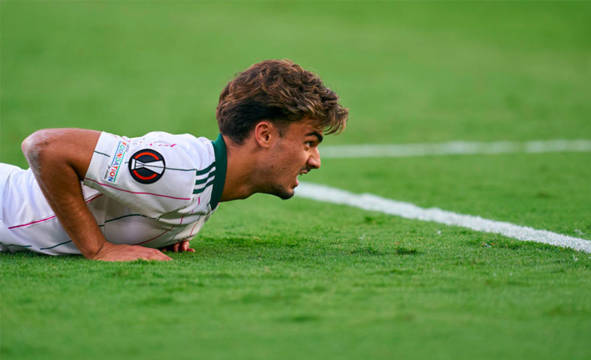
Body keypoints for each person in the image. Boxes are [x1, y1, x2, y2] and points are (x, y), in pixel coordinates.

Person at [0, 59, 348, 261]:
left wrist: (158, 230)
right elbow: (45, 147)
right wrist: (99, 248)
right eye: (309, 142)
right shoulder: (181, 171)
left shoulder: (207, 183)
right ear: (265, 135)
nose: (314, 160)